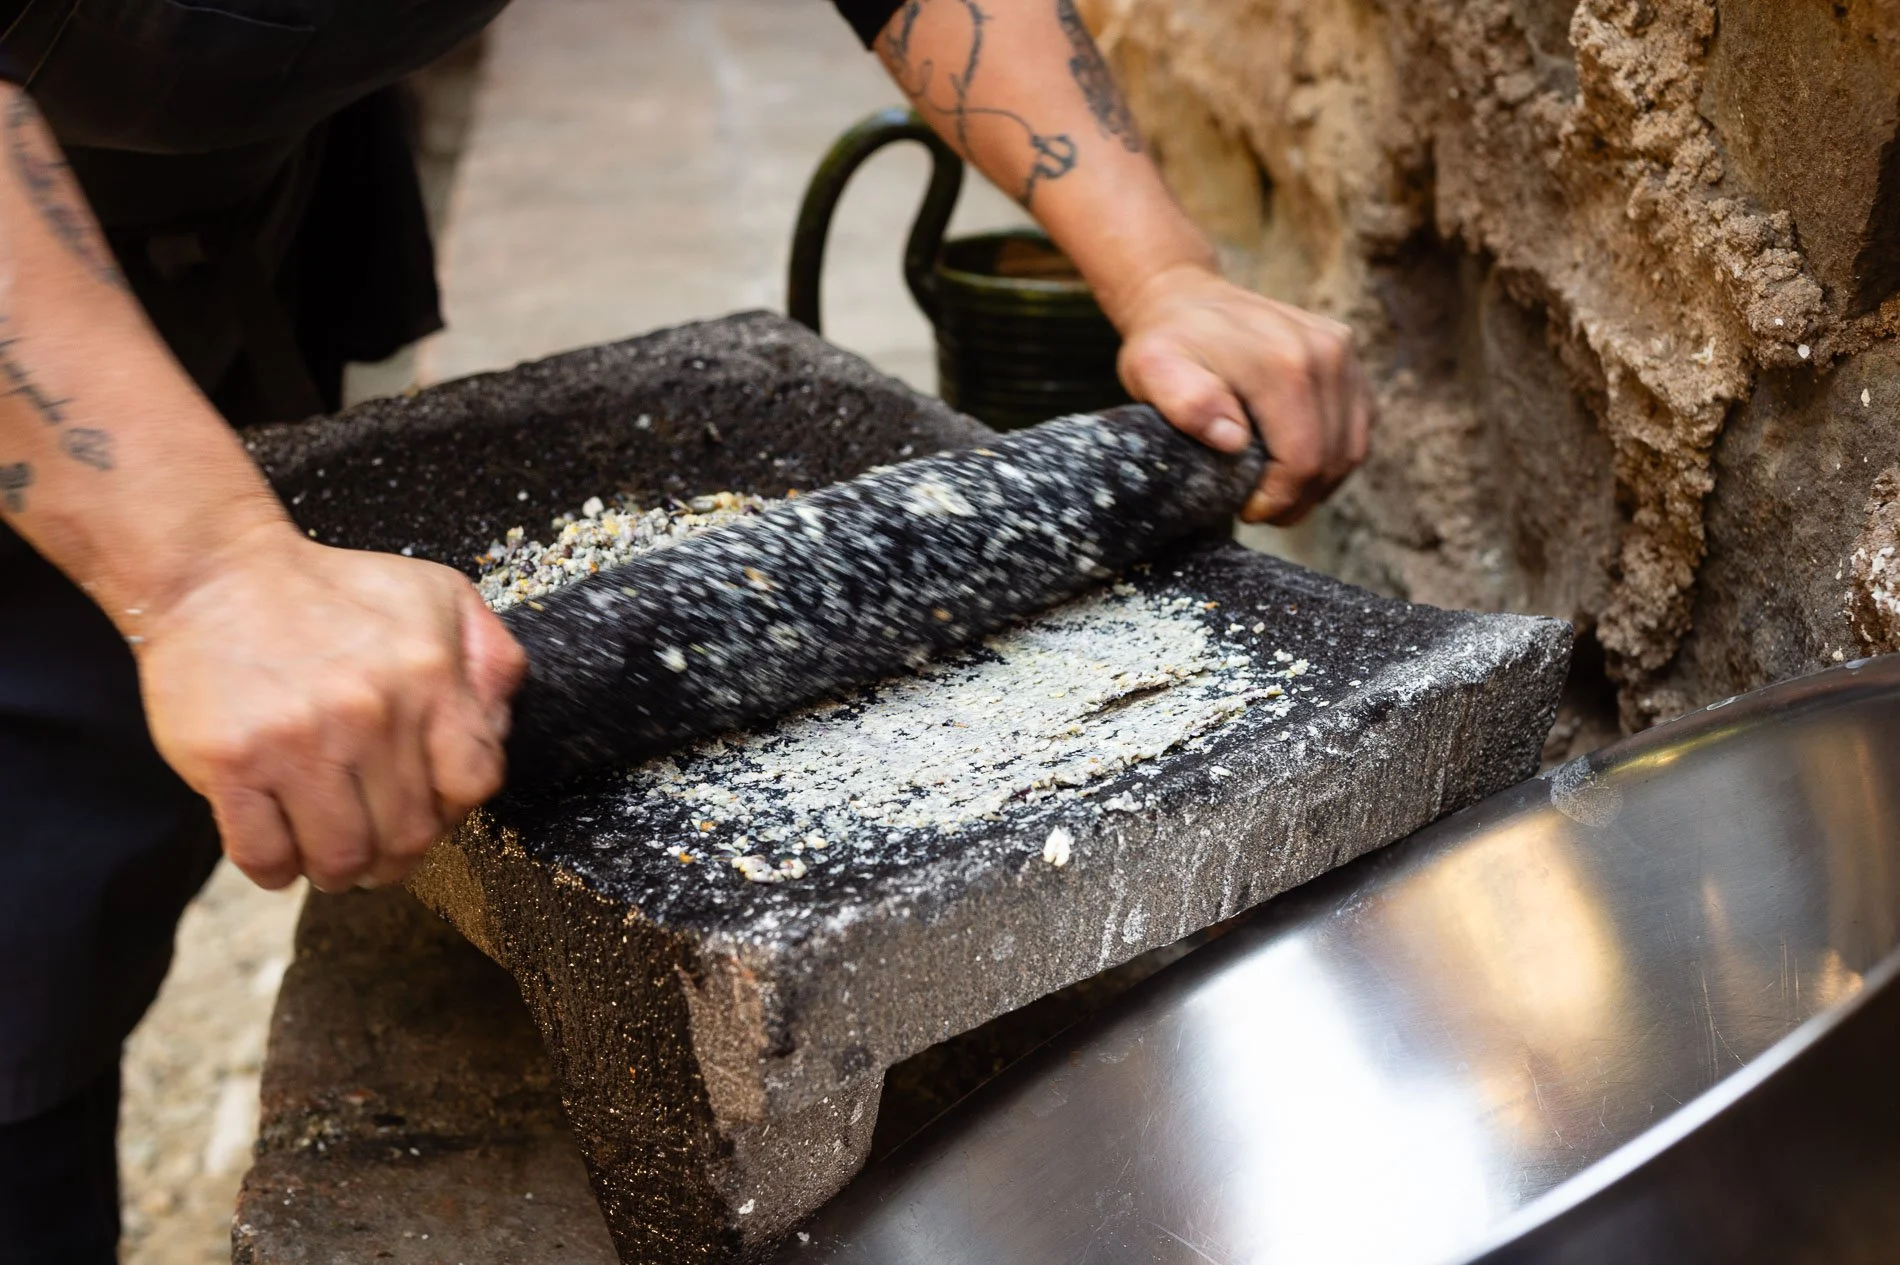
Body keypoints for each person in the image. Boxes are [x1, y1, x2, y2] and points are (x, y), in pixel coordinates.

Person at [0, 0, 1375, 1258]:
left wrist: (1165, 272)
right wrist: (200, 570)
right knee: (25, 925)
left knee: (133, 820)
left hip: (236, 205)